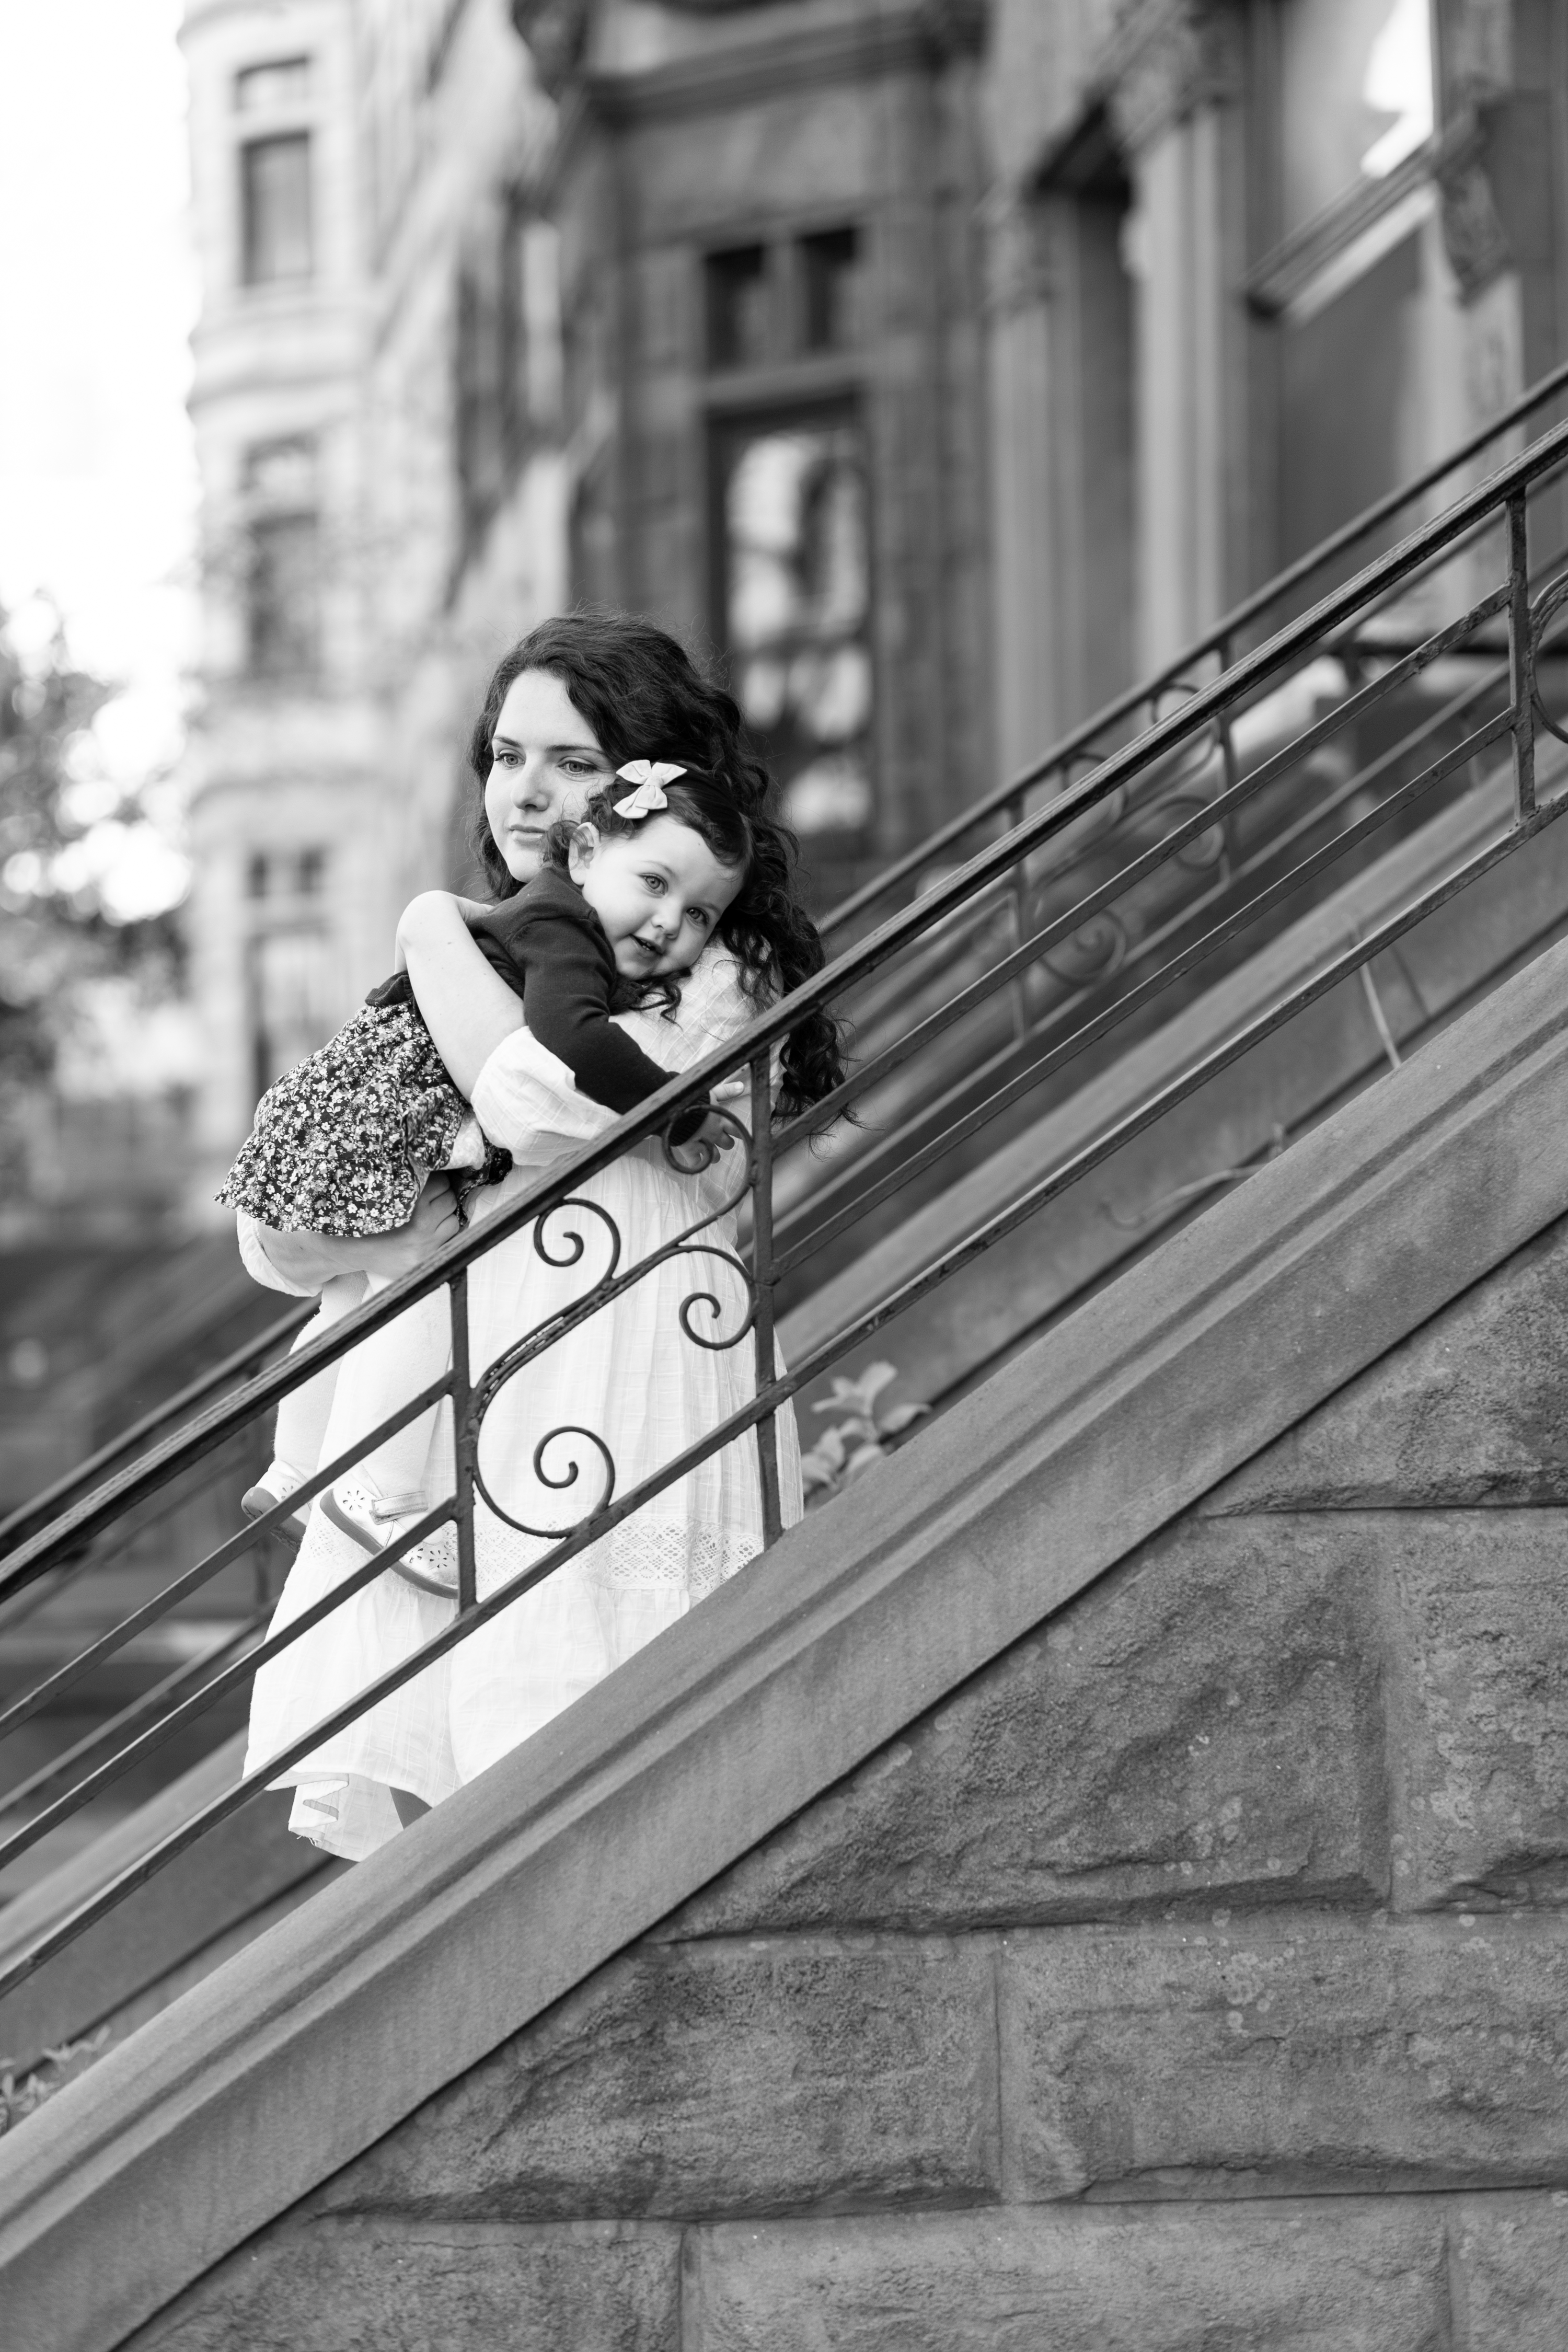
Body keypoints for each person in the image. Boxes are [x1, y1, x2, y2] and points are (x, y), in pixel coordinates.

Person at [240, 611, 841, 1860]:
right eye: (508, 756)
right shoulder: (523, 939)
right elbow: (283, 1235)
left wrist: (424, 928)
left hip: (613, 1359)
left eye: (570, 760)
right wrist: (396, 1222)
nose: (526, 791)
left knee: (595, 1709)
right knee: (480, 1748)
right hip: (475, 1379)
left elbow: (533, 1099)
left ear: (643, 777)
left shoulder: (709, 963)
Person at [219, 756, 745, 1593]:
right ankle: (378, 1493)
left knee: (358, 1287)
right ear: (581, 855)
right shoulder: (563, 929)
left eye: (698, 914)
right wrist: (679, 1109)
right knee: (429, 1273)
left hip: (349, 1091)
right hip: (401, 1098)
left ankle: (295, 1471)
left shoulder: (532, 917)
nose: (667, 923)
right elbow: (569, 1044)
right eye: (652, 882)